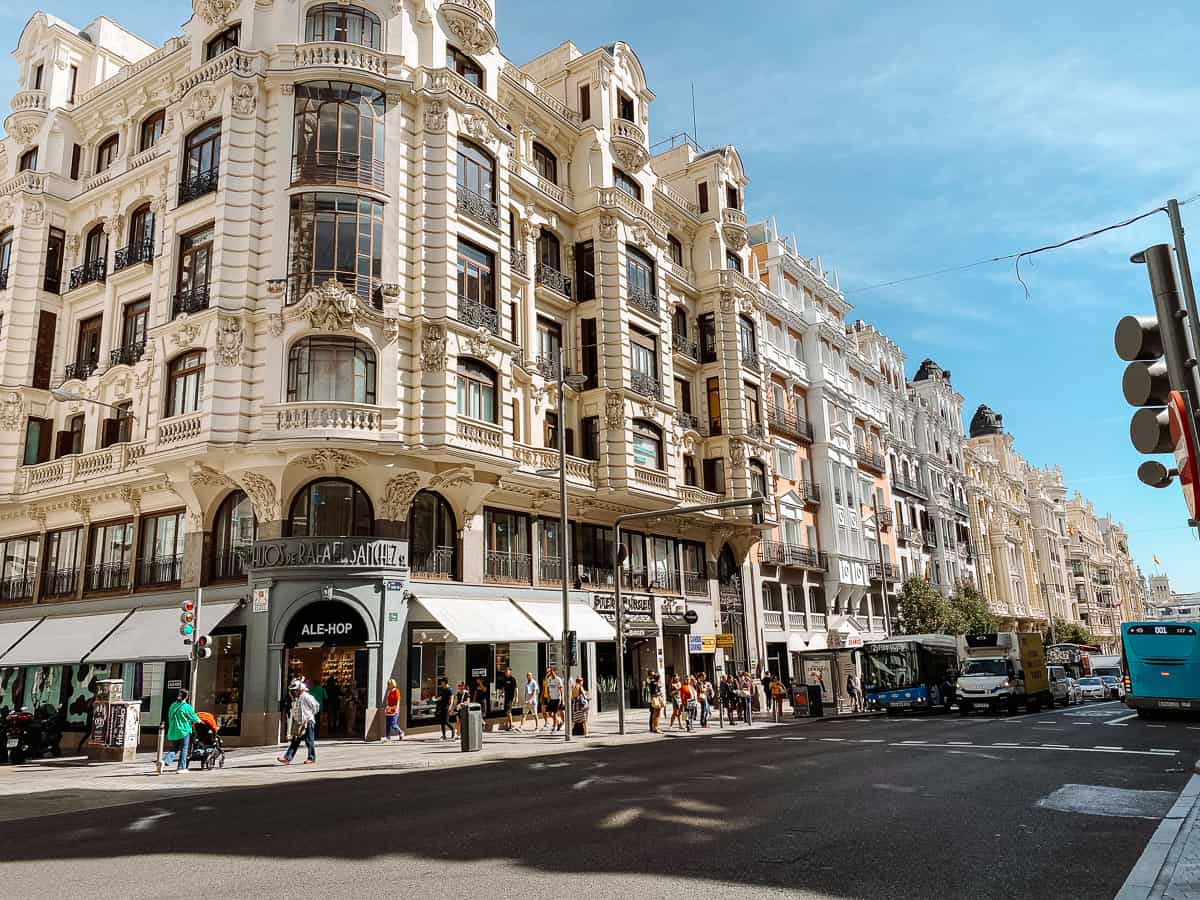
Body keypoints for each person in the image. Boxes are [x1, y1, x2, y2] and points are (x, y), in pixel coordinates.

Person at [278, 679, 319, 765]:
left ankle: (311, 757)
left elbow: (316, 706)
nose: (294, 692)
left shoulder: (306, 696)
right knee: (295, 741)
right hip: (300, 722)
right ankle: (287, 758)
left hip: (308, 722)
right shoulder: (298, 698)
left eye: (295, 690)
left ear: (300, 689)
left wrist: (309, 716)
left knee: (309, 740)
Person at [164, 689, 199, 772]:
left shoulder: (172, 705)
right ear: (186, 697)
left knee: (174, 748)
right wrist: (200, 721)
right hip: (184, 731)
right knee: (184, 749)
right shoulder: (187, 707)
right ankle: (181, 767)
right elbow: (195, 718)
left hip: (174, 730)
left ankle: (164, 761)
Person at [545, 667, 565, 732]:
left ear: (554, 672)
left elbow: (561, 690)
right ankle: (559, 722)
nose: (550, 673)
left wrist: (562, 699)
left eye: (551, 671)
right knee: (550, 713)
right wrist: (548, 697)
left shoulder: (558, 679)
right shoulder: (549, 679)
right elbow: (548, 688)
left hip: (557, 698)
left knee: (555, 713)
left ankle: (554, 726)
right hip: (552, 698)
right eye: (550, 672)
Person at [383, 678, 403, 742]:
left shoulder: (396, 691)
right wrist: (387, 707)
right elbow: (387, 700)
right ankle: (388, 737)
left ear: (392, 684)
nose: (388, 685)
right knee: (387, 724)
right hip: (389, 709)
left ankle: (400, 732)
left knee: (393, 723)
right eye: (388, 684)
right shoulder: (389, 691)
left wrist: (397, 708)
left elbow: (398, 700)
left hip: (395, 709)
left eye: (389, 684)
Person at [646, 669, 663, 734]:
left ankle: (655, 727)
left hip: (655, 699)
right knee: (654, 714)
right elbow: (654, 692)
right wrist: (659, 693)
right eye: (652, 675)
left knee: (655, 714)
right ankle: (654, 727)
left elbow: (660, 685)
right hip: (653, 699)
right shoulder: (652, 682)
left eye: (654, 675)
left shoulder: (653, 682)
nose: (653, 676)